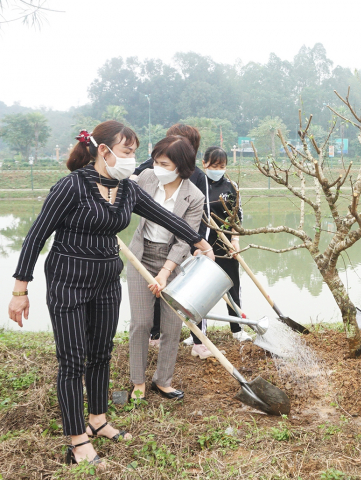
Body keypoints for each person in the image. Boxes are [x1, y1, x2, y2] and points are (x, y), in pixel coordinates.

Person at [7, 121, 215, 467]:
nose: (134, 160)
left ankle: (98, 419)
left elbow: (165, 216)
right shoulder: (72, 187)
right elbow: (35, 236)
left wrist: (198, 240)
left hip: (106, 282)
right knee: (73, 360)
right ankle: (77, 441)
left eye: (134, 153)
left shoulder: (127, 190)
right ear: (104, 151)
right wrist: (20, 289)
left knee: (101, 353)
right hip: (68, 282)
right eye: (128, 152)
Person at [127, 136, 205, 402]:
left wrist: (165, 272)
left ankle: (163, 381)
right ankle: (138, 380)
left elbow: (186, 238)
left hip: (174, 262)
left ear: (181, 166)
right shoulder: (147, 178)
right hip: (140, 254)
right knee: (142, 322)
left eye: (164, 163)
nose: (157, 167)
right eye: (155, 161)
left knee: (172, 326)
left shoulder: (194, 197)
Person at [188, 146, 248, 359]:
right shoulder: (196, 184)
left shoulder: (231, 186)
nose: (218, 169)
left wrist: (235, 240)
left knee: (233, 284)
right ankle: (197, 334)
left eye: (221, 166)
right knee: (200, 290)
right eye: (214, 166)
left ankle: (237, 328)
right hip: (201, 244)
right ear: (204, 164)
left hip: (225, 245)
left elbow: (237, 215)